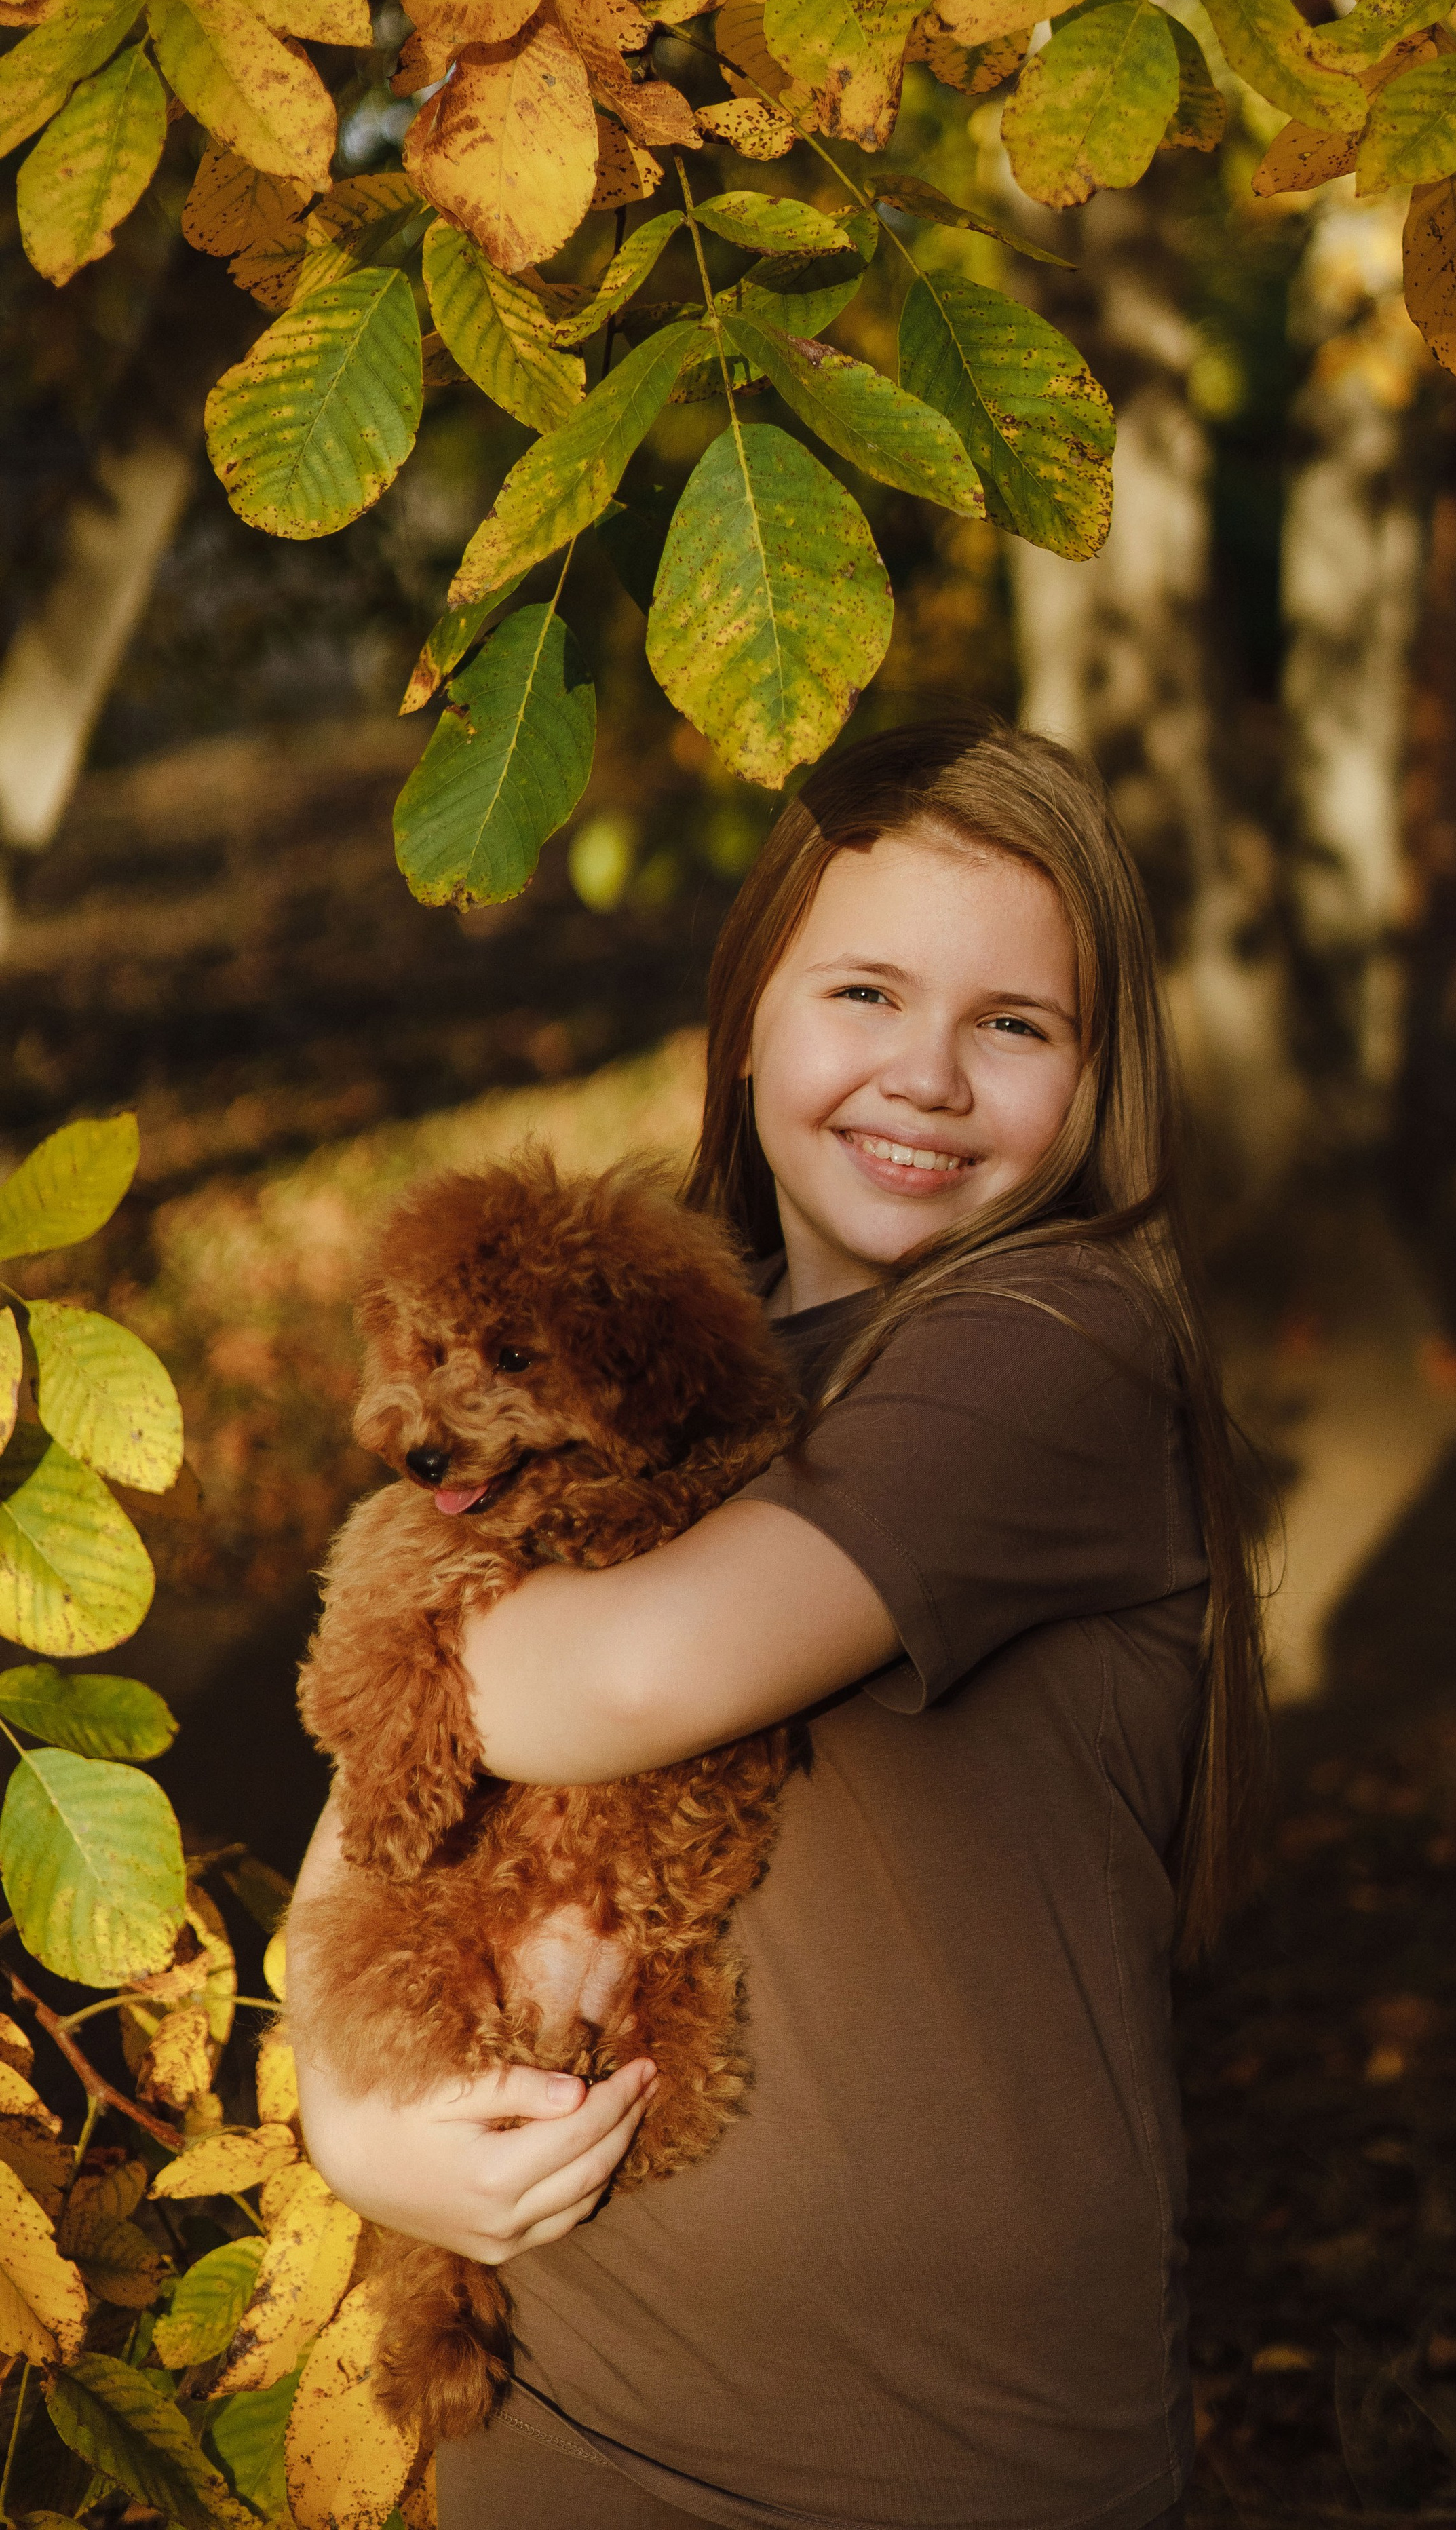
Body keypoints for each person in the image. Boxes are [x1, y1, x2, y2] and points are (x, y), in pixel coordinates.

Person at [288, 716, 1269, 2530]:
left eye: (1015, 1025)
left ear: (1099, 1072)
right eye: (868, 994)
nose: (929, 1077)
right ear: (747, 1022)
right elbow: (384, 1805)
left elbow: (635, 1675)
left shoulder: (1052, 1351)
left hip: (941, 2464)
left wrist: (406, 1601)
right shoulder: (590, 1372)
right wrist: (344, 2097)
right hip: (565, 2417)